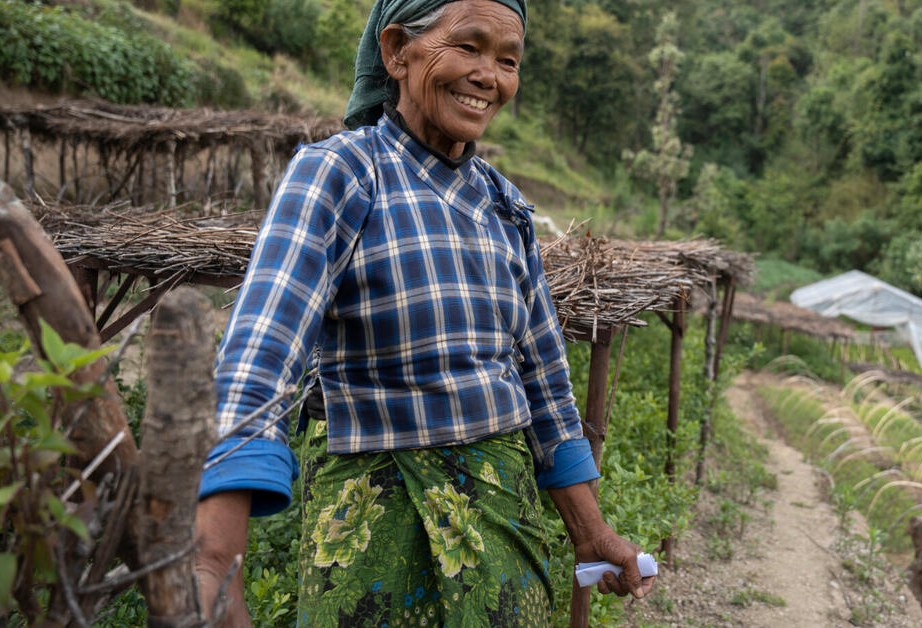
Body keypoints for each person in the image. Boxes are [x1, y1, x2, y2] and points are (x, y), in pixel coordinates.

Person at [192, 1, 655, 625]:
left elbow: (545, 384)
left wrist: (591, 530)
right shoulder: (342, 172)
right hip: (371, 530)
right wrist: (215, 564)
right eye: (467, 47)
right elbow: (259, 359)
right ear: (396, 52)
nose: (488, 75)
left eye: (508, 60)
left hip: (503, 530)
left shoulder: (504, 206)